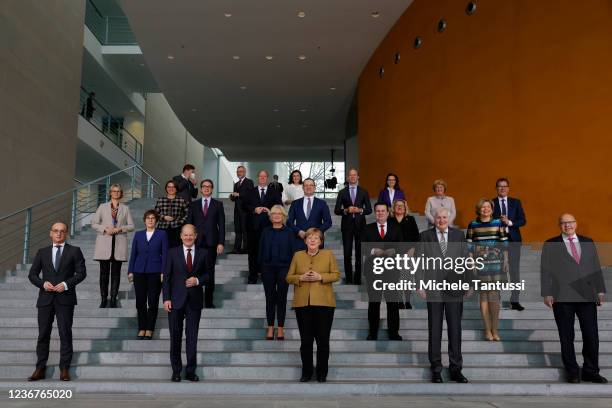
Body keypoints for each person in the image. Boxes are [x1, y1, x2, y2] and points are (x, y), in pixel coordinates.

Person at [541, 214, 607, 384]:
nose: (567, 225)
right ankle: (572, 372)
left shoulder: (588, 241)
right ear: (559, 226)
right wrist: (547, 293)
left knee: (591, 335)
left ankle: (591, 371)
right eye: (563, 223)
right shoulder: (551, 244)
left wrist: (600, 290)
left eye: (570, 222)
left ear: (576, 224)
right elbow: (545, 271)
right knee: (566, 335)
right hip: (562, 296)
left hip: (586, 295)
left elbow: (595, 267)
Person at [27, 222, 86, 382]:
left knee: (65, 333)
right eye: (56, 231)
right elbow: (32, 274)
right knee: (43, 334)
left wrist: (66, 284)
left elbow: (81, 273)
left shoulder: (74, 251)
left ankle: (64, 369)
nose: (59, 233)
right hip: (45, 299)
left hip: (65, 299)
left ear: (66, 233)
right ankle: (40, 368)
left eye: (62, 231)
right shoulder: (42, 252)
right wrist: (42, 283)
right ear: (50, 233)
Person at [417, 207, 470, 384]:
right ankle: (436, 369)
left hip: (455, 288)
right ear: (434, 219)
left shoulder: (458, 236)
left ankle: (456, 369)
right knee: (435, 329)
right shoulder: (425, 236)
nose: (441, 220)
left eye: (444, 217)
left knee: (455, 330)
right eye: (438, 217)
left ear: (449, 219)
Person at [286, 228, 340, 382]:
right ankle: (307, 372)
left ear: (320, 241)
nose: (312, 240)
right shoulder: (298, 255)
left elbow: (336, 275)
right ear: (305, 240)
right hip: (303, 304)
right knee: (306, 341)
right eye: (310, 237)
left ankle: (322, 373)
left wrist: (320, 276)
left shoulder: (328, 254)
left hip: (324, 304)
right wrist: (300, 277)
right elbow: (289, 277)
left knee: (323, 341)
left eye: (316, 238)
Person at [163, 224, 211, 382]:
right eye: (185, 235)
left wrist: (197, 280)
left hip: (194, 301)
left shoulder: (204, 253)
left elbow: (209, 275)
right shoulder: (172, 253)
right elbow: (167, 278)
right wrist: (166, 298)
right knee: (175, 337)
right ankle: (176, 371)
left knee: (192, 337)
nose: (188, 237)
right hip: (175, 301)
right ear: (181, 236)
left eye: (191, 235)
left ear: (196, 236)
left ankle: (190, 371)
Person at [466, 199, 508, 341]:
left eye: (488, 207)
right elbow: (469, 245)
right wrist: (471, 262)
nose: (485, 209)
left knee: (494, 296)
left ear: (491, 209)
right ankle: (487, 330)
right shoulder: (473, 224)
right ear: (479, 209)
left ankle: (495, 330)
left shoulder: (498, 223)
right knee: (483, 296)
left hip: (497, 262)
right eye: (482, 207)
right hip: (480, 262)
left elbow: (504, 242)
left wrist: (506, 260)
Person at [361, 202, 404, 341]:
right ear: (375, 213)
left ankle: (394, 333)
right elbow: (361, 247)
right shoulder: (367, 228)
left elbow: (402, 248)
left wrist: (395, 251)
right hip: (373, 271)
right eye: (377, 211)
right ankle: (372, 332)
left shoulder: (397, 228)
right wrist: (373, 251)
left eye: (382, 211)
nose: (380, 213)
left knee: (392, 303)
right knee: (374, 302)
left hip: (392, 271)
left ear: (387, 212)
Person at [92, 184, 134, 308]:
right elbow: (94, 223)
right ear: (110, 193)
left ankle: (114, 298)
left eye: (118, 191)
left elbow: (131, 226)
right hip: (104, 243)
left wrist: (120, 228)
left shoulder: (125, 208)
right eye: (113, 191)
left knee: (116, 273)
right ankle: (104, 299)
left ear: (121, 193)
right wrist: (105, 229)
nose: (116, 193)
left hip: (119, 244)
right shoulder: (102, 207)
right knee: (103, 273)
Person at [127, 210, 168, 340]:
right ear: (144, 220)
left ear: (156, 220)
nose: (150, 220)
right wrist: (130, 271)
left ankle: (150, 328)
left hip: (155, 272)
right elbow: (133, 254)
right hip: (139, 271)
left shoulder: (162, 234)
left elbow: (165, 254)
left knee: (153, 302)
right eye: (148, 218)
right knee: (140, 302)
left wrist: (164, 271)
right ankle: (141, 328)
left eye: (153, 218)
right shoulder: (138, 235)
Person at [258, 205, 296, 340]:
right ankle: (270, 328)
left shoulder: (289, 232)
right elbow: (261, 251)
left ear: (283, 216)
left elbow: (294, 253)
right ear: (271, 216)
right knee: (270, 299)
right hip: (267, 269)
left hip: (284, 269)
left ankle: (280, 328)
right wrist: (260, 269)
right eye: (274, 213)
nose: (276, 216)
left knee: (281, 299)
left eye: (279, 214)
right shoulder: (265, 231)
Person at [187, 179, 225, 308]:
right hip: (195, 244)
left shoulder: (218, 204)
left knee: (209, 272)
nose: (206, 188)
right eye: (204, 186)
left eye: (209, 186)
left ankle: (208, 302)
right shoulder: (194, 204)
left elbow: (222, 225)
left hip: (211, 243)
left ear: (212, 189)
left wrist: (221, 243)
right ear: (201, 189)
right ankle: (194, 300)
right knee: (194, 270)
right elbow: (189, 224)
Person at [492, 177, 527, 311]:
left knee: (514, 271)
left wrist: (510, 222)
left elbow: (523, 220)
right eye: (500, 186)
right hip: (496, 242)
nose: (502, 188)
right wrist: (499, 222)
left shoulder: (515, 202)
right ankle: (497, 300)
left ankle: (515, 300)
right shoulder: (491, 203)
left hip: (513, 241)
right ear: (496, 188)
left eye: (505, 186)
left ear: (508, 188)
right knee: (498, 271)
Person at [243, 170, 282, 284]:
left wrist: (271, 211)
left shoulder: (273, 191)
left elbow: (279, 204)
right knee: (253, 253)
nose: (262, 178)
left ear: (267, 178)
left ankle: (266, 276)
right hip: (252, 227)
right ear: (258, 177)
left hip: (269, 227)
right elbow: (244, 205)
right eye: (261, 176)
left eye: (265, 176)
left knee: (267, 252)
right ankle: (252, 277)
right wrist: (254, 209)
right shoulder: (251, 191)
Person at [334, 168, 372, 284]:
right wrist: (346, 210)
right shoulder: (342, 192)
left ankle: (357, 279)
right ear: (347, 178)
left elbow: (369, 210)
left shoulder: (364, 192)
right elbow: (336, 210)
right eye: (350, 175)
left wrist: (360, 210)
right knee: (347, 253)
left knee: (359, 253)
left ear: (358, 177)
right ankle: (349, 278)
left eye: (354, 175)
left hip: (361, 226)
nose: (352, 177)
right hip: (347, 226)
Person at [388, 199, 420, 309]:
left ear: (405, 208)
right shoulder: (390, 220)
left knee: (408, 279)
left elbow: (417, 237)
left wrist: (413, 249)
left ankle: (407, 300)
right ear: (394, 207)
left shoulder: (410, 219)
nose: (400, 207)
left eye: (402, 205)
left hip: (409, 253)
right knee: (397, 278)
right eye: (397, 205)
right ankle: (400, 301)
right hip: (395, 254)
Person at [287, 178, 332, 250]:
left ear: (314, 187)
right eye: (306, 185)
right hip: (299, 241)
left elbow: (328, 222)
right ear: (303, 187)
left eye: (311, 185)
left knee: (318, 261)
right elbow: (289, 222)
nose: (308, 187)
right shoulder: (295, 203)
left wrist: (316, 233)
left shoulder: (322, 203)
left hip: (317, 241)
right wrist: (298, 232)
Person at [155, 180, 188, 248]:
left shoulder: (181, 200)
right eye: (169, 187)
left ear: (176, 189)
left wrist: (180, 222)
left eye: (173, 187)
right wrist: (163, 217)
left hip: (177, 228)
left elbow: (187, 214)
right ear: (166, 188)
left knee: (176, 248)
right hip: (162, 228)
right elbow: (156, 214)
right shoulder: (160, 200)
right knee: (163, 248)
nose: (171, 189)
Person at [229, 165, 253, 254]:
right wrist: (232, 196)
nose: (239, 173)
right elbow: (235, 198)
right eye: (238, 172)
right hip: (237, 211)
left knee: (245, 230)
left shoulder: (249, 182)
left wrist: (238, 194)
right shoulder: (236, 184)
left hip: (245, 211)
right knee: (237, 230)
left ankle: (246, 249)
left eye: (241, 171)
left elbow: (250, 195)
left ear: (245, 172)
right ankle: (236, 249)